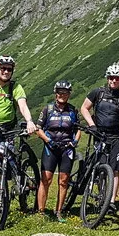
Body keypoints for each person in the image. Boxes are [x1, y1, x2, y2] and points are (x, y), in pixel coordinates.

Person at [79, 64, 119, 209]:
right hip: (100, 135)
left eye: (117, 78)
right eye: (111, 78)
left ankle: (111, 201)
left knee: (115, 169)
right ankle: (101, 196)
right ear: (107, 78)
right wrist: (92, 125)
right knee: (101, 166)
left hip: (116, 136)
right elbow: (84, 108)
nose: (114, 80)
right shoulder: (98, 93)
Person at [36, 80, 80, 222]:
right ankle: (41, 212)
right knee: (46, 179)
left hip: (67, 149)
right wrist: (48, 141)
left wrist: (75, 142)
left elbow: (78, 129)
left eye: (65, 93)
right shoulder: (47, 109)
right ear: (55, 94)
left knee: (64, 181)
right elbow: (39, 128)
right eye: (60, 92)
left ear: (69, 94)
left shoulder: (73, 110)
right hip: (51, 147)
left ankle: (59, 211)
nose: (62, 95)